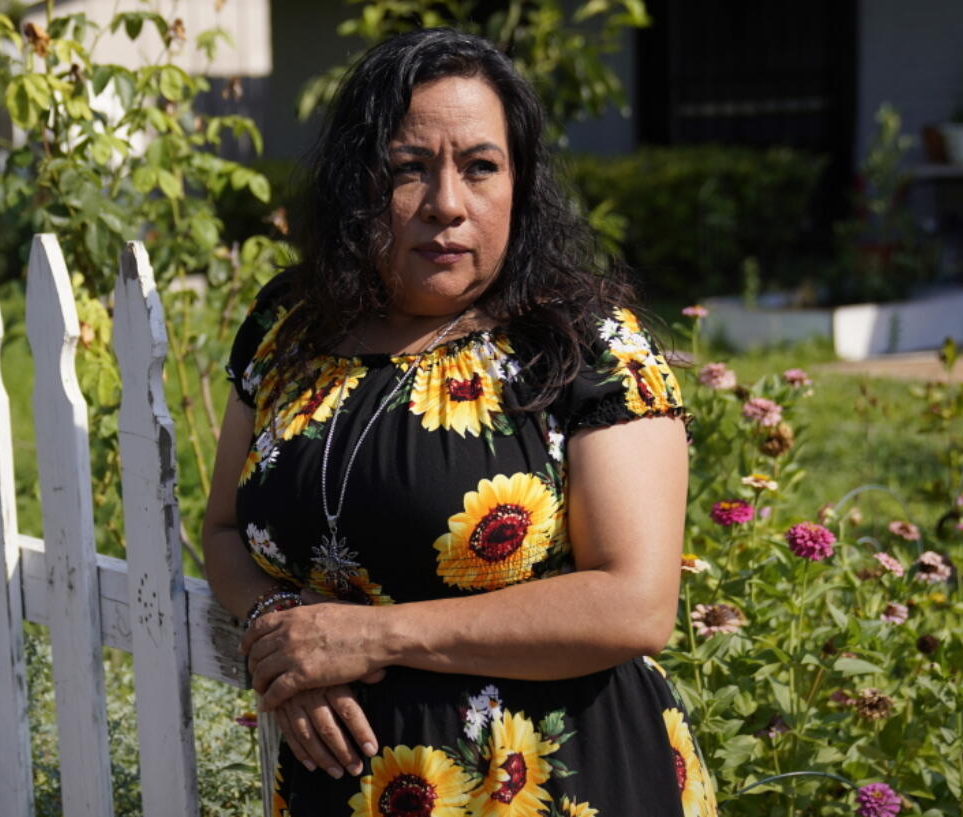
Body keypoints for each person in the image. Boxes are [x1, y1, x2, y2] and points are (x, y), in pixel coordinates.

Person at [202, 27, 718, 816]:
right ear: (357, 183)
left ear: (520, 183)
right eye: (409, 169)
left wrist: (369, 637)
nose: (447, 204)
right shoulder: (289, 328)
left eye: (481, 167)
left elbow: (634, 603)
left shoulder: (586, 344)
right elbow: (226, 527)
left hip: (559, 782)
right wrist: (281, 638)